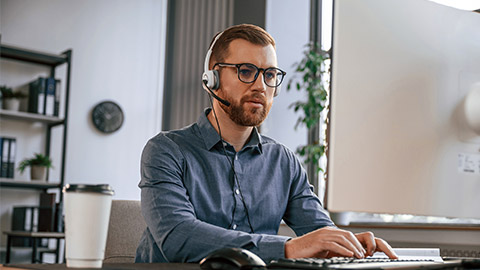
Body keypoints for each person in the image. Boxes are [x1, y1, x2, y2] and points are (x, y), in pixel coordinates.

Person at [135, 23, 397, 263]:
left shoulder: (284, 161)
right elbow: (178, 236)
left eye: (270, 74)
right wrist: (288, 248)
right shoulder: (165, 151)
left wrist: (348, 243)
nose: (261, 86)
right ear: (212, 79)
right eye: (246, 71)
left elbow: (319, 232)